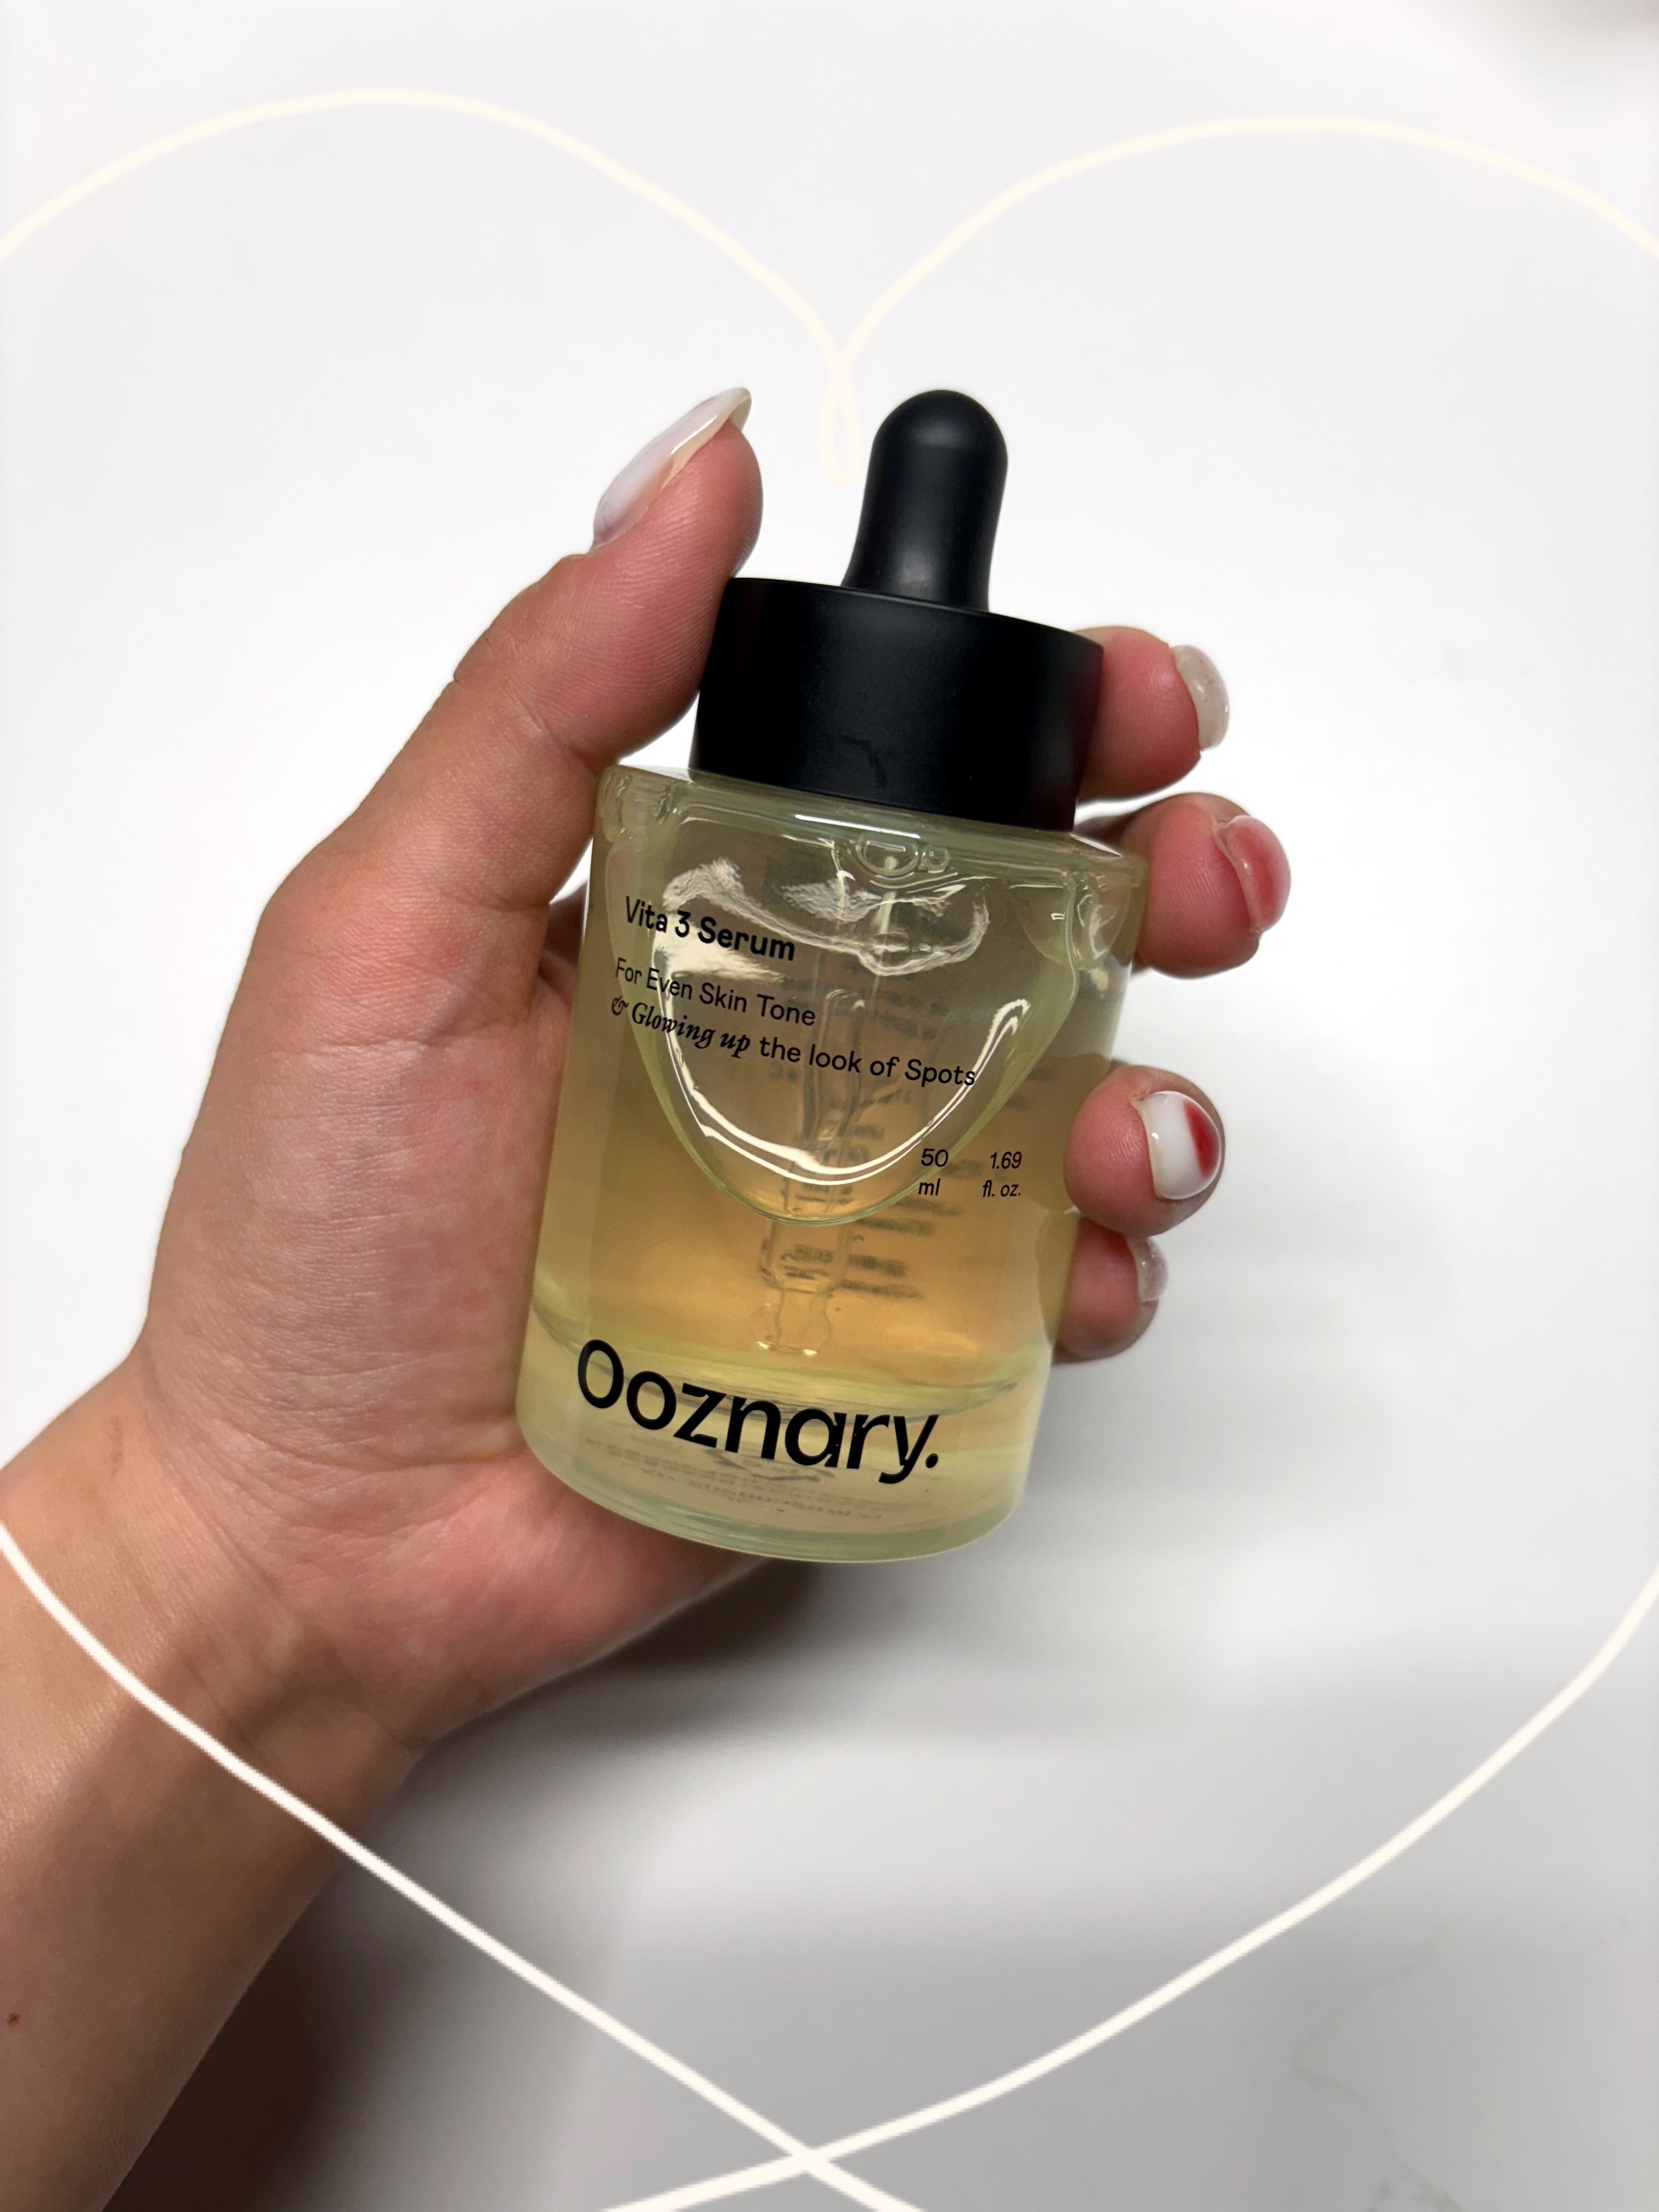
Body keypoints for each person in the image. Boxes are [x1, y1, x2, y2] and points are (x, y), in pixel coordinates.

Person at [0, 392, 1290, 2210]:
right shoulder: (678, 840)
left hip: (828, 1417)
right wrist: (240, 1527)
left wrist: (239, 1573)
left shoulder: (1043, 897)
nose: (868, 910)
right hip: (593, 1396)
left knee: (1039, 1147)